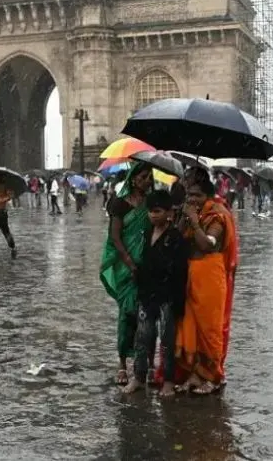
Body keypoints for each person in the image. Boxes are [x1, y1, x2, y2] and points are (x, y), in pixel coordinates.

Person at [122, 190, 188, 396]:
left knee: (167, 340)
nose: (153, 215)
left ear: (169, 213)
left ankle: (168, 381)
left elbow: (181, 272)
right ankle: (139, 377)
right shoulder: (147, 232)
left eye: (158, 211)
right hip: (147, 294)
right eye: (150, 211)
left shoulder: (176, 237)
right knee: (143, 337)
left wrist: (178, 302)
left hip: (167, 296)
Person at [173, 175, 231, 395]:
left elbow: (207, 244)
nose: (192, 199)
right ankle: (195, 375)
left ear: (207, 195)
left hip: (210, 277)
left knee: (209, 329)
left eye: (197, 195)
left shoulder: (217, 214)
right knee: (191, 328)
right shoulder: (191, 213)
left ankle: (215, 377)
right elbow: (178, 238)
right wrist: (184, 218)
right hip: (190, 276)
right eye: (189, 194)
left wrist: (195, 222)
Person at [99, 164, 154, 386]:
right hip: (126, 265)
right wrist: (129, 262)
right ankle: (122, 363)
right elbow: (115, 236)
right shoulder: (119, 204)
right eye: (143, 177)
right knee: (127, 313)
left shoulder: (152, 203)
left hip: (149, 265)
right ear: (133, 180)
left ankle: (149, 361)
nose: (148, 180)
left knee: (150, 315)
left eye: (150, 176)